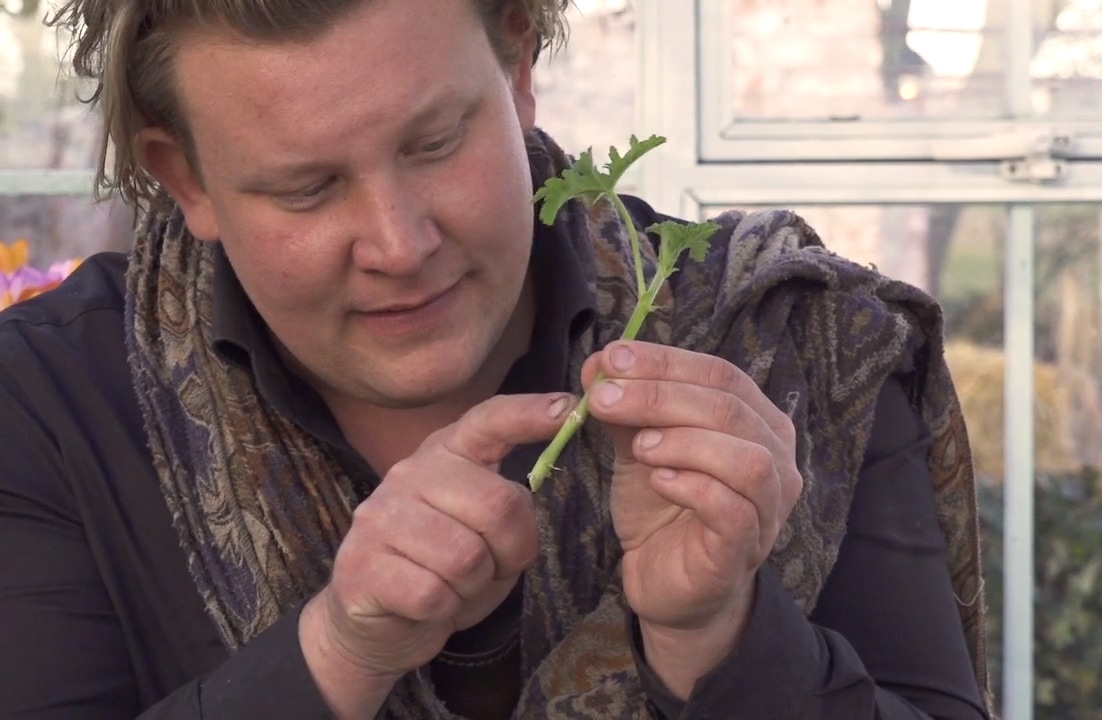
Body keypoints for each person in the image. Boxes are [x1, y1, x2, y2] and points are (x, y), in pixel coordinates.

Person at [0, 0, 994, 717]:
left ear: (517, 67)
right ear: (186, 179)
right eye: (305, 190)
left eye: (435, 143)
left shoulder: (790, 344)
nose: (397, 243)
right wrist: (338, 652)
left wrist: (720, 635)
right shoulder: (49, 409)